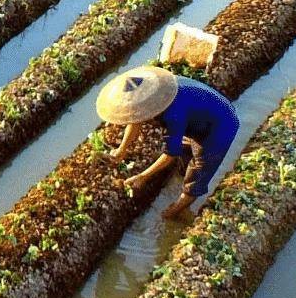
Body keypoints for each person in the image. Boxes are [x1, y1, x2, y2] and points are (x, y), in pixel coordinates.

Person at [95, 64, 239, 218]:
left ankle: (174, 212)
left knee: (197, 173)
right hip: (202, 113)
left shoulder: (173, 115)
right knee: (185, 156)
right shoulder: (160, 90)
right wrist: (121, 151)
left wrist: (143, 176)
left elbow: (170, 153)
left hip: (221, 126)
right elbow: (134, 119)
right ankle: (183, 175)